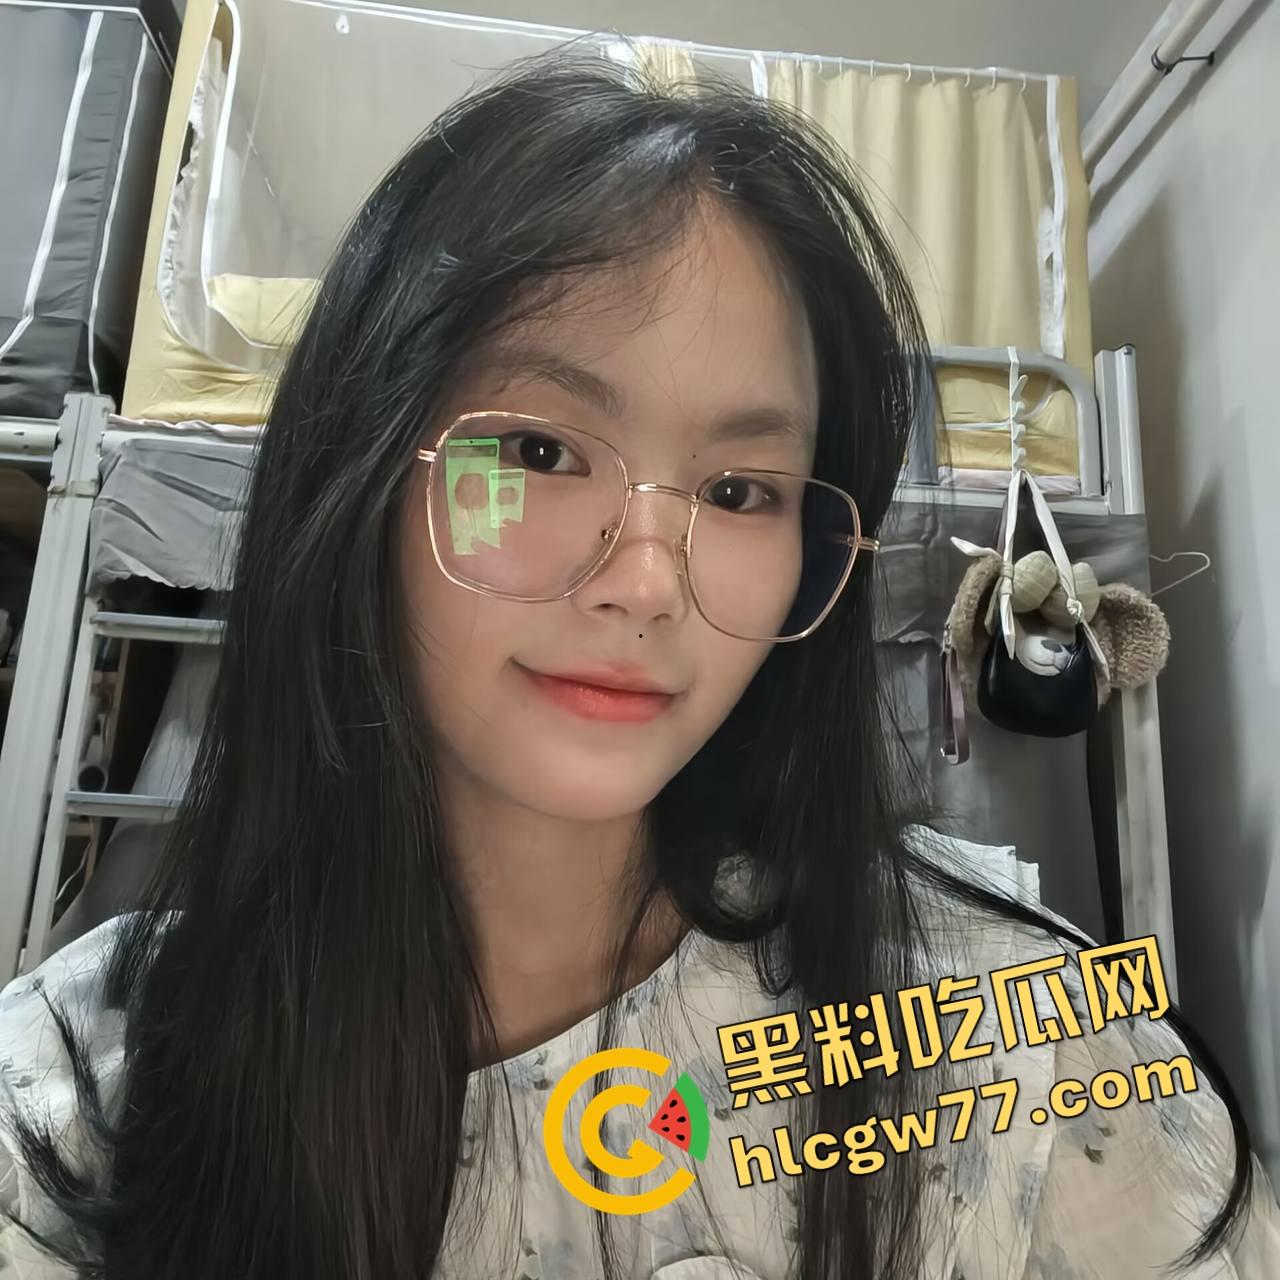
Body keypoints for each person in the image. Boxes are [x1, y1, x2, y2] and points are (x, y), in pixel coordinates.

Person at [1, 48, 1278, 1280]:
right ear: (362, 469)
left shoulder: (1017, 1038)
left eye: (738, 489)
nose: (650, 581)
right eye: (542, 451)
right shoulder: (80, 1087)